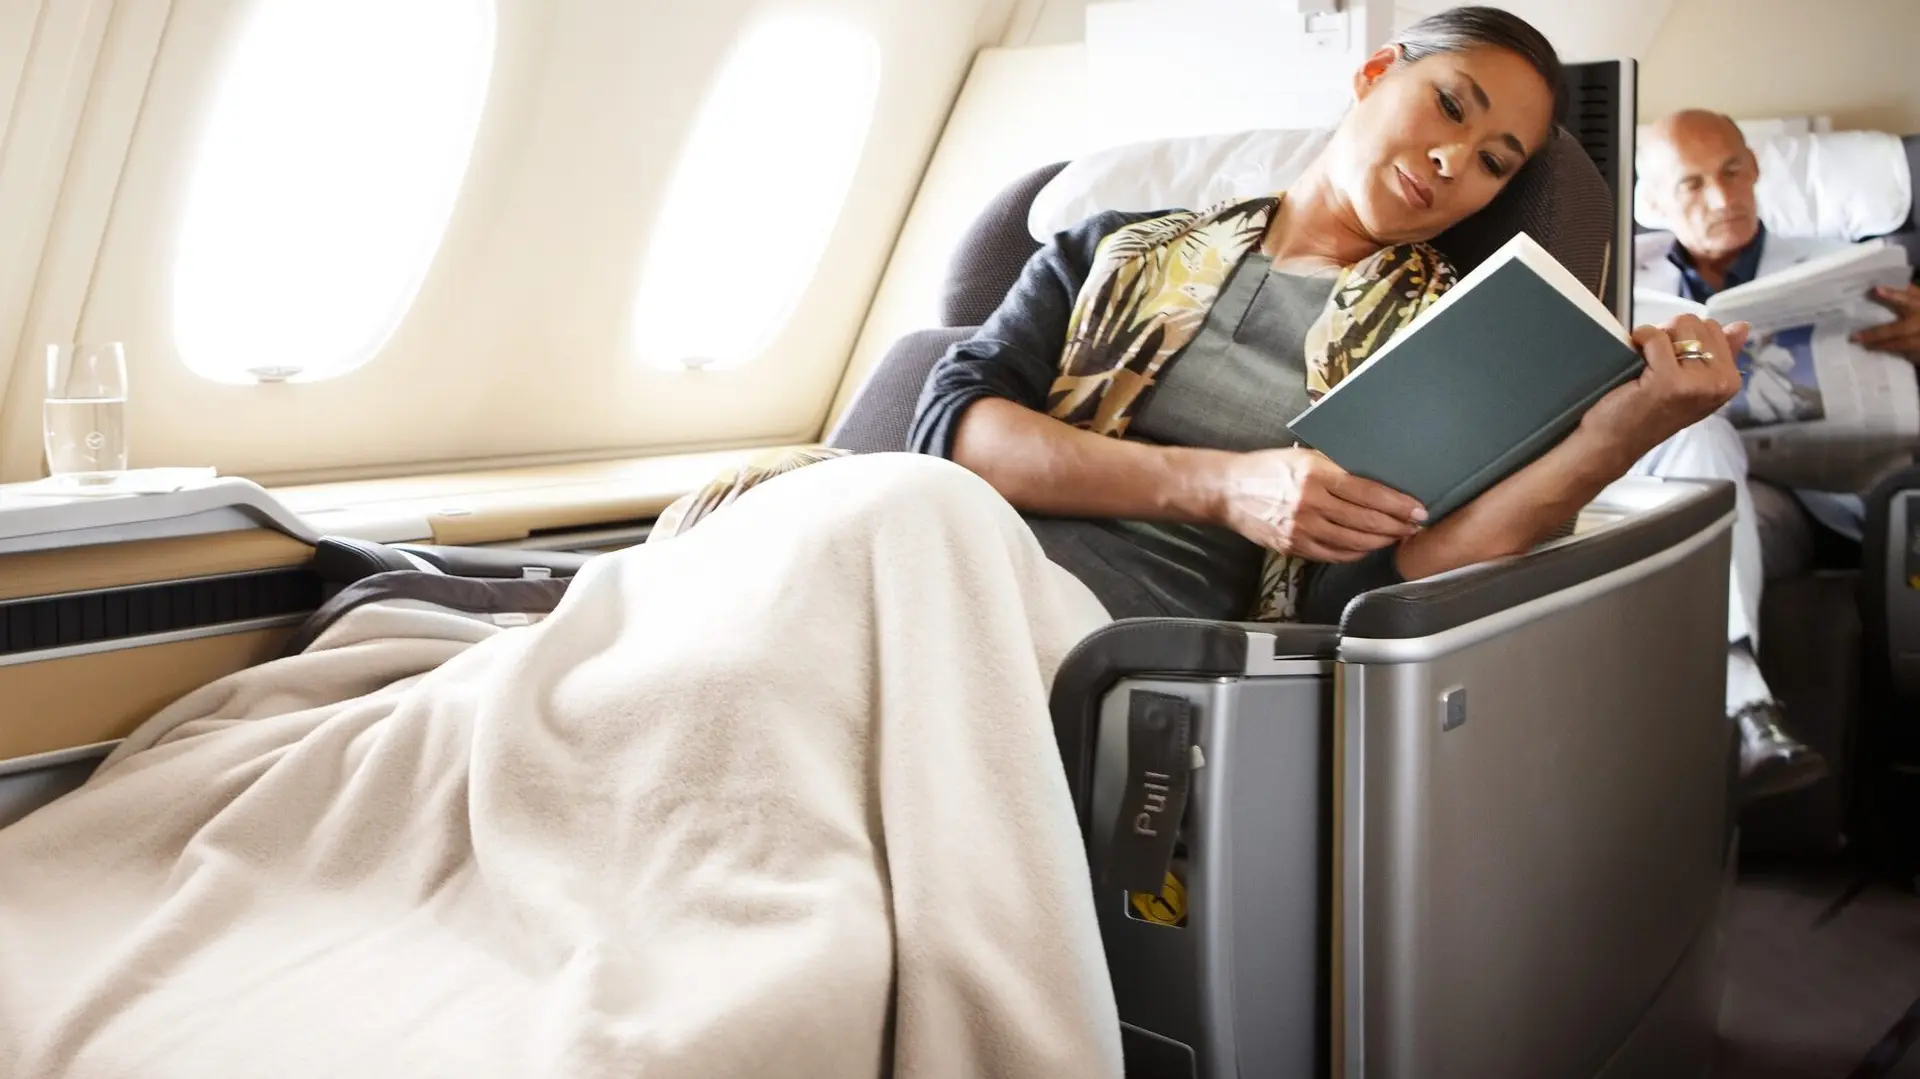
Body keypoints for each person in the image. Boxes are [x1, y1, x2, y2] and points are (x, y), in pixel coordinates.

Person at [1630, 109, 1920, 797]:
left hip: (1847, 498)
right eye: (1693, 183)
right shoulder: (1625, 282)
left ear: (1757, 168)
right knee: (1701, 442)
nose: (1723, 197)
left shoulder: (1843, 264)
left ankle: (1740, 710)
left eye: (1733, 170)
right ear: (1656, 202)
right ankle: (1747, 708)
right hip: (1737, 499)